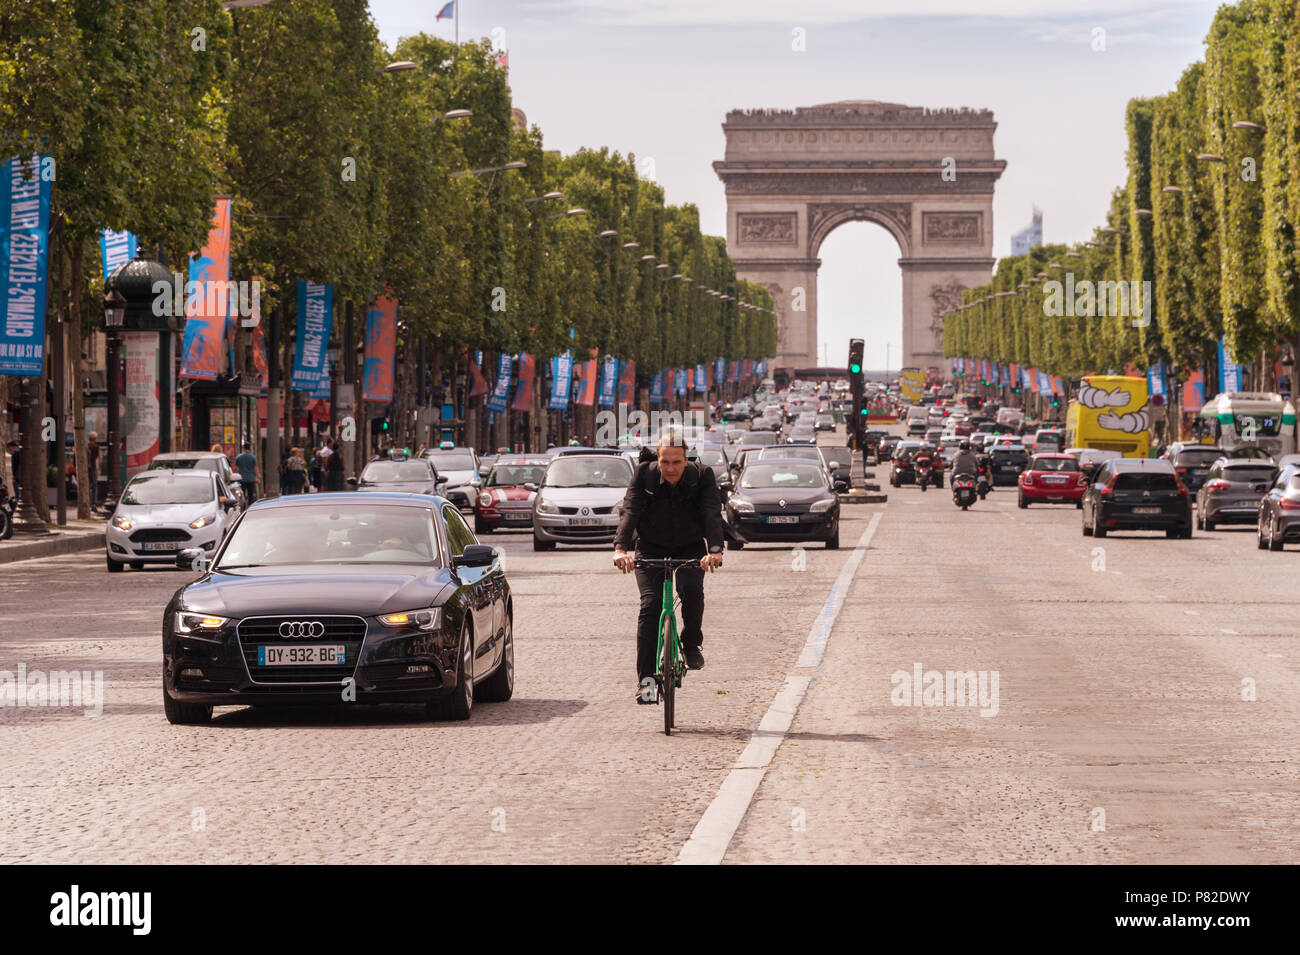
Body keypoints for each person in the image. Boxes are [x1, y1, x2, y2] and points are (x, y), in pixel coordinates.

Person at [612, 431, 724, 704]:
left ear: (686, 460)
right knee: (650, 607)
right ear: (658, 460)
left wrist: (715, 551)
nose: (670, 468)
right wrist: (620, 549)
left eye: (676, 462)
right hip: (650, 547)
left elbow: (711, 512)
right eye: (665, 462)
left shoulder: (702, 476)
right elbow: (630, 510)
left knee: (691, 591)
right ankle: (647, 683)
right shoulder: (644, 475)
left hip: (690, 547)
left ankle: (691, 642)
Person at [87, 432, 100, 507]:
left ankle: (89, 501)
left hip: (86, 467)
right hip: (93, 467)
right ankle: (93, 502)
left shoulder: (86, 446)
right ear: (95, 438)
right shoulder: (96, 447)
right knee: (94, 485)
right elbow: (96, 457)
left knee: (89, 485)